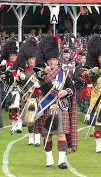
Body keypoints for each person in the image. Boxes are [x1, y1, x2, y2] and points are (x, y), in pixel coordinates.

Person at [35, 36, 77, 169]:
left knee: (61, 133)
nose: (52, 62)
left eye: (54, 59)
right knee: (48, 135)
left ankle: (61, 161)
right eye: (50, 60)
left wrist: (65, 92)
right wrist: (44, 73)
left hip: (61, 106)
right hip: (47, 106)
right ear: (46, 60)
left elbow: (71, 88)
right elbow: (40, 82)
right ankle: (49, 159)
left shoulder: (63, 73)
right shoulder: (42, 73)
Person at [13, 37, 41, 146]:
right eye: (29, 59)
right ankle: (30, 138)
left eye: (33, 59)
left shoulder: (40, 70)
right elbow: (17, 82)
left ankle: (37, 139)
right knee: (30, 120)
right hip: (27, 97)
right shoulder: (24, 71)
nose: (31, 61)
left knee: (37, 119)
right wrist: (20, 77)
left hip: (38, 96)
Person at [0, 40, 21, 132]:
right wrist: (2, 73)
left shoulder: (19, 65)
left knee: (18, 107)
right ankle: (13, 126)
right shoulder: (5, 64)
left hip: (18, 88)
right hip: (8, 88)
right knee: (12, 108)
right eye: (11, 55)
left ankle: (19, 125)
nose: (12, 57)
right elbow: (0, 73)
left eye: (14, 55)